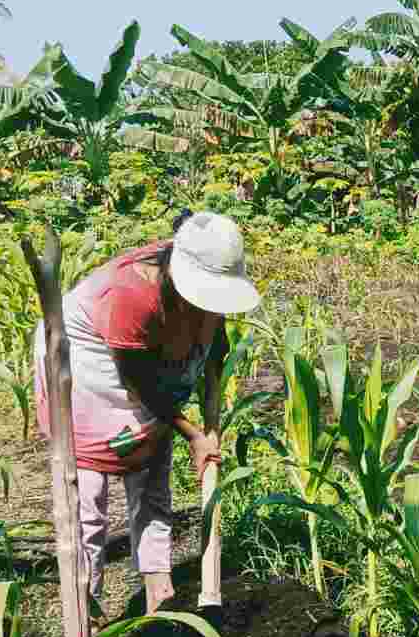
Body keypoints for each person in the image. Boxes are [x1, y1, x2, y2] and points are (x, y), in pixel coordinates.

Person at [35, 211, 260, 615]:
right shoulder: (130, 294)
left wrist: (211, 402)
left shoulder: (201, 284)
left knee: (153, 471)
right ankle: (87, 610)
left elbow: (215, 335)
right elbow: (138, 381)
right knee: (87, 495)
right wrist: (193, 434)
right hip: (86, 364)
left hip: (143, 366)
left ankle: (159, 591)